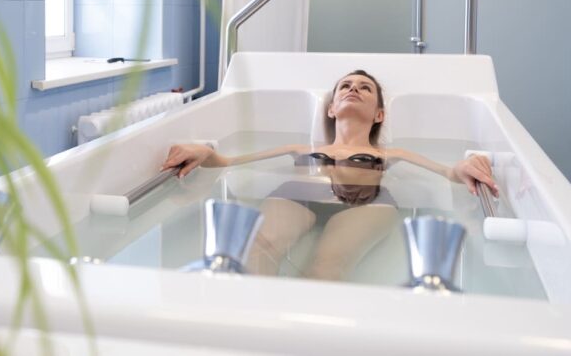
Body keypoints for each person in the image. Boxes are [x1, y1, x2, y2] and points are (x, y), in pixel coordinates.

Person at [162, 70, 498, 280]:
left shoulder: (389, 154)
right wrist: (203, 152)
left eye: (365, 88)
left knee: (329, 264)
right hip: (297, 193)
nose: (354, 89)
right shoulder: (300, 148)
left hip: (368, 202)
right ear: (332, 108)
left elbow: (448, 172)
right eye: (345, 86)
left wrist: (465, 167)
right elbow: (227, 161)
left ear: (379, 114)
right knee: (260, 248)